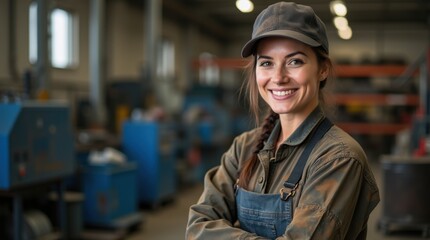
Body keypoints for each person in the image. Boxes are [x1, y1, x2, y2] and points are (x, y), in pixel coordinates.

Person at [186, 2, 380, 239]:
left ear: (323, 70)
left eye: (294, 61)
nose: (278, 77)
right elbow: (197, 225)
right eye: (266, 63)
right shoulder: (244, 147)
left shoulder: (338, 158)